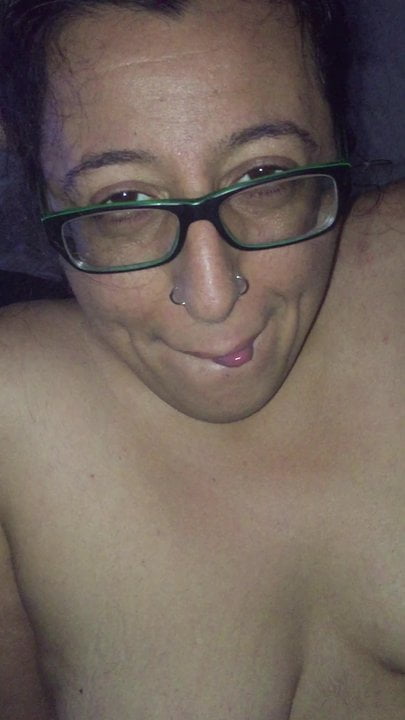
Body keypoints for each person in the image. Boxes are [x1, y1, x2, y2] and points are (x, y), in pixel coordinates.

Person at [0, 0, 403, 717]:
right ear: (41, 195)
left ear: (337, 142)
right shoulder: (15, 416)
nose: (213, 297)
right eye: (122, 200)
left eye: (264, 175)